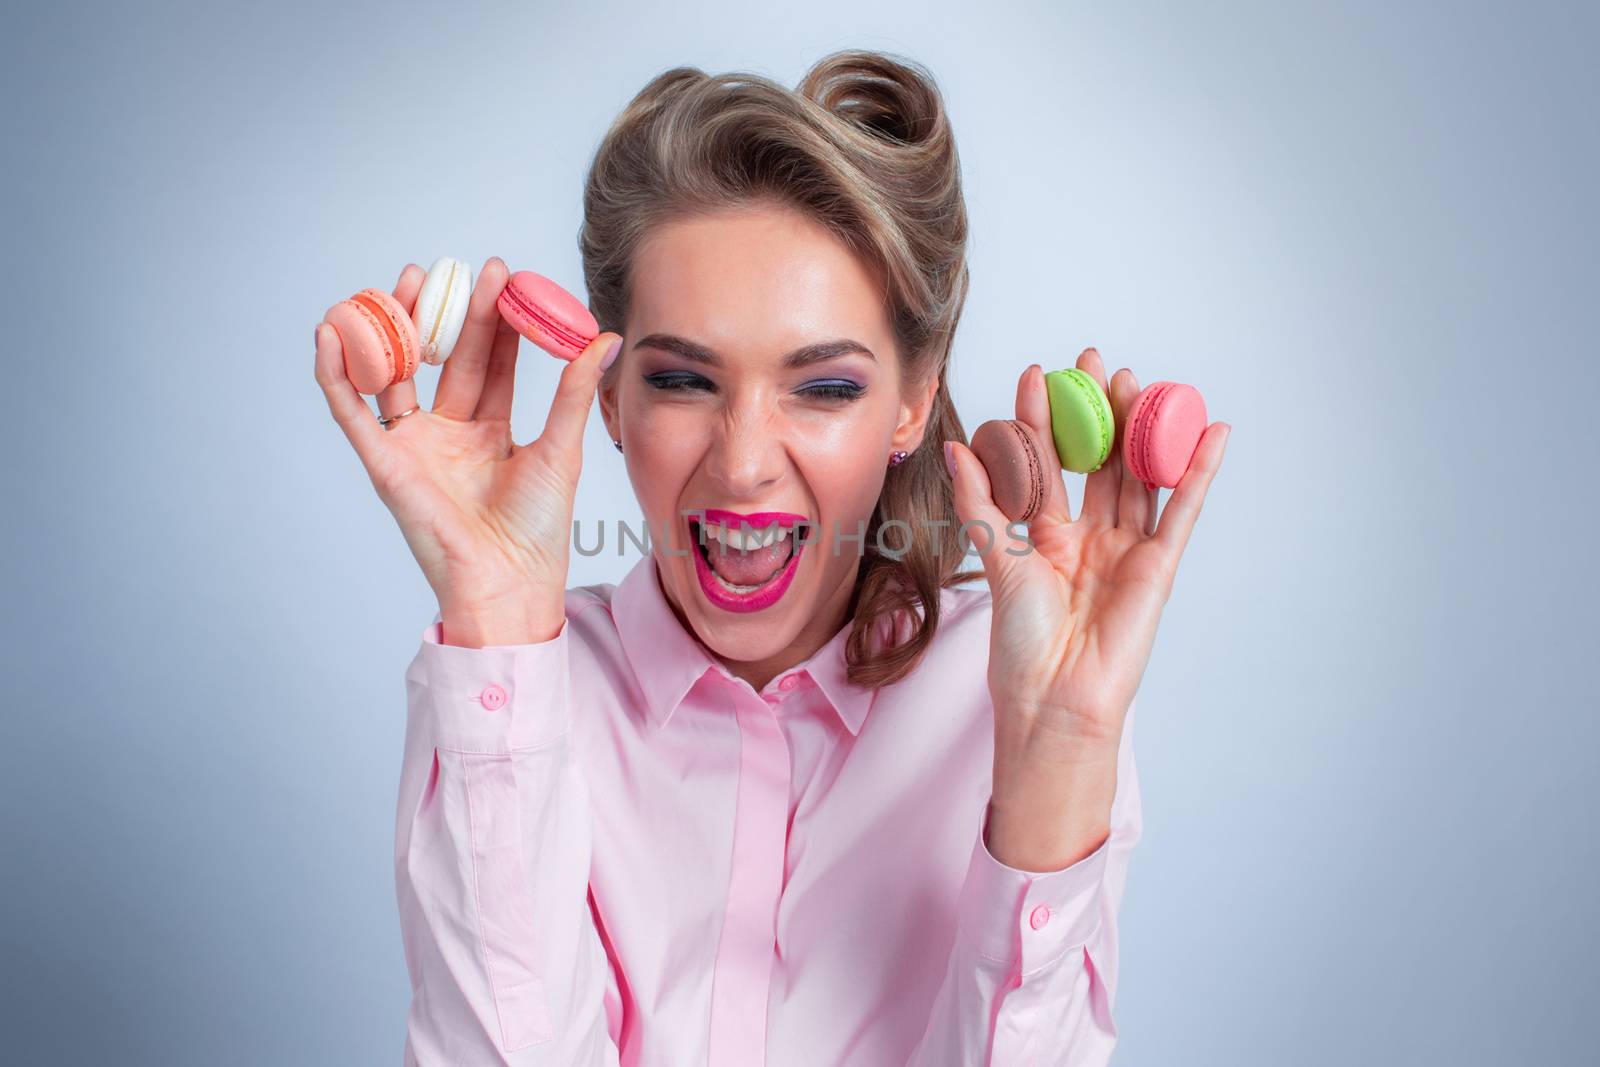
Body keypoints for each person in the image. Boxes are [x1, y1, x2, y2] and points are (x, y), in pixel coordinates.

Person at [314, 49, 1229, 1067]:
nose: (743, 465)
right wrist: (489, 616)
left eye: (825, 388)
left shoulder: (1008, 693)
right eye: (681, 379)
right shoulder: (513, 690)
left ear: (912, 404)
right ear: (609, 395)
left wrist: (1058, 755)